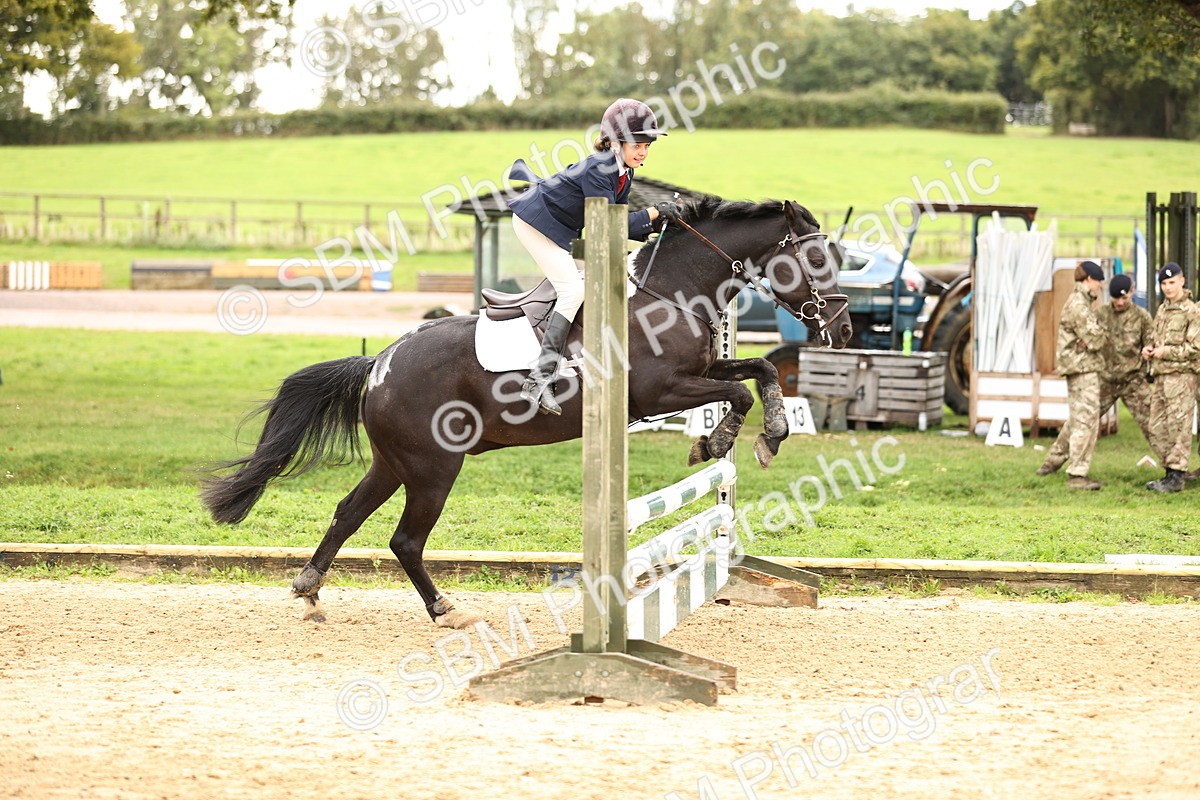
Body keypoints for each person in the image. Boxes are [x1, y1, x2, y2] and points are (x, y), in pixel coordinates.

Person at [505, 98, 683, 416]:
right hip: (536, 223)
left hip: (558, 227)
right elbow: (605, 225)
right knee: (573, 290)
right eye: (637, 144)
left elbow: (617, 224)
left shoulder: (623, 174)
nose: (643, 151)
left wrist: (658, 225)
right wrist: (653, 212)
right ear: (615, 141)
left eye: (647, 145)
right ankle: (538, 379)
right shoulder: (601, 169)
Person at [1039, 272, 1154, 477]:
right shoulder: (1099, 313)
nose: (1119, 302)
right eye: (1115, 298)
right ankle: (1051, 462)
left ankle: (1174, 469)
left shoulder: (1142, 317)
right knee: (1079, 422)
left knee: (1154, 422)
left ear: (1132, 292)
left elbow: (1151, 341)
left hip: (1132, 381)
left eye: (1124, 297)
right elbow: (1088, 336)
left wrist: (1149, 351)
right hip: (1106, 380)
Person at [1036, 260, 1107, 489]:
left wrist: (1091, 337)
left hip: (1080, 366)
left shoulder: (1082, 302)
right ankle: (1077, 474)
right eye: (1098, 282)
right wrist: (1099, 333)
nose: (1100, 286)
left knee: (1078, 419)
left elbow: (1091, 338)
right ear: (1088, 280)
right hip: (1082, 367)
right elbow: (1096, 339)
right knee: (1086, 422)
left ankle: (1052, 462)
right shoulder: (1079, 305)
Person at [1142, 262, 1200, 492]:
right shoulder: (1163, 309)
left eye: (1172, 282)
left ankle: (1175, 476)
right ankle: (1172, 469)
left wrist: (1165, 352)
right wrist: (1149, 349)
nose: (1168, 288)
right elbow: (1157, 339)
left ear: (1182, 281)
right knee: (1155, 427)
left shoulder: (1191, 311)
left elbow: (1195, 349)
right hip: (1162, 376)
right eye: (1164, 283)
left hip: (1182, 377)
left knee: (1179, 427)